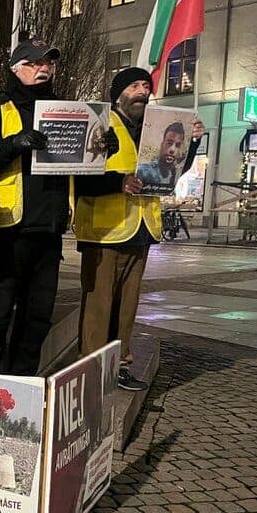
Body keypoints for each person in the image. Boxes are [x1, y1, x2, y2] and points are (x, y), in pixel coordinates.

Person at [74, 67, 203, 390]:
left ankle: (120, 365)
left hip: (142, 228)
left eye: (146, 86)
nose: (143, 91)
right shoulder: (101, 124)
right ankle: (91, 371)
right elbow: (79, 177)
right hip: (104, 231)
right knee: (99, 306)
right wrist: (118, 183)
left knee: (127, 307)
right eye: (134, 86)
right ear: (118, 93)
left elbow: (171, 170)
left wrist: (193, 143)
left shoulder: (155, 129)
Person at [0, 37, 73, 376]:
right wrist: (12, 144)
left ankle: (23, 385)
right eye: (35, 63)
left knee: (37, 317)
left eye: (48, 62)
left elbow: (80, 165)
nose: (44, 68)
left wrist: (101, 147)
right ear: (16, 68)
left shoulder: (64, 111)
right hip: (7, 230)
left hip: (49, 229)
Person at [137, 121, 186, 189]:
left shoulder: (176, 174)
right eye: (169, 143)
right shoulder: (143, 171)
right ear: (162, 144)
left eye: (177, 145)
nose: (172, 149)